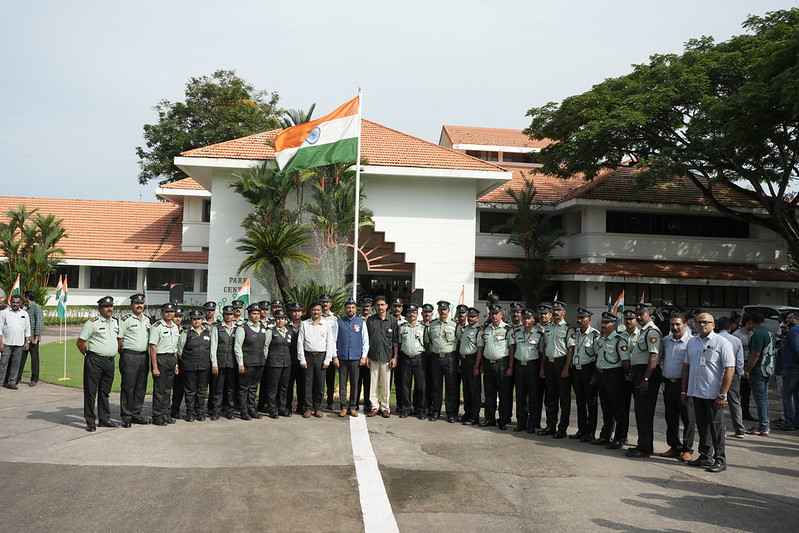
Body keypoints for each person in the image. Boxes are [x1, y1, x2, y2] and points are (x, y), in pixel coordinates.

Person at [682, 312, 736, 473]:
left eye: (706, 322)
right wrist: (685, 390)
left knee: (716, 428)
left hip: (714, 394)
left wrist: (723, 394)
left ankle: (720, 459)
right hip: (696, 392)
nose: (702, 325)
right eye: (699, 322)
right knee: (702, 427)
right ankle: (705, 456)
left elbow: (730, 369)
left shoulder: (722, 342)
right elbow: (686, 366)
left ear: (713, 324)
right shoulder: (692, 342)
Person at [624, 303, 663, 459]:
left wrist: (646, 378)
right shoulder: (643, 331)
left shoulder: (652, 332)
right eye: (637, 314)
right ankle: (642, 445)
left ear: (650, 315)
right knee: (640, 412)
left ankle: (645, 448)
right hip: (640, 373)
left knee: (645, 413)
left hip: (647, 374)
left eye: (642, 314)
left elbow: (654, 356)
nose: (639, 317)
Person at [76, 296, 118, 431]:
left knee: (105, 392)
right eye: (106, 306)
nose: (109, 309)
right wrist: (88, 355)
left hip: (110, 361)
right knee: (91, 392)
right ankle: (90, 422)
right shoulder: (92, 323)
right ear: (100, 309)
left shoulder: (115, 322)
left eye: (111, 306)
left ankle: (104, 419)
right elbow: (80, 342)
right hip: (95, 361)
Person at [658, 312, 696, 462]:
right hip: (669, 384)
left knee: (688, 418)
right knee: (670, 417)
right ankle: (674, 447)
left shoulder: (692, 342)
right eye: (672, 324)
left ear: (685, 325)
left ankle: (687, 449)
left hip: (685, 385)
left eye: (678, 324)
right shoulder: (666, 340)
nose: (674, 327)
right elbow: (660, 358)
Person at [593, 311, 630, 449]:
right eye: (602, 322)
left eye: (607, 323)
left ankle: (620, 438)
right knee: (606, 408)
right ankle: (605, 435)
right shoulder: (600, 340)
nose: (603, 325)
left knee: (618, 409)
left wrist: (624, 378)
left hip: (615, 376)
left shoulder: (619, 340)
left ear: (614, 324)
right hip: (602, 375)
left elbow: (625, 361)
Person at [476, 305, 514, 430]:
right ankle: (489, 418)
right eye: (492, 313)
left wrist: (510, 366)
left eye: (496, 313)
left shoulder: (508, 329)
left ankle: (503, 420)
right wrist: (480, 365)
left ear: (501, 315)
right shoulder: (486, 329)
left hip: (502, 364)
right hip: (488, 364)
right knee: (489, 394)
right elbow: (481, 348)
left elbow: (512, 349)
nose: (494, 316)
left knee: (504, 394)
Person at [117, 293, 151, 427]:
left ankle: (136, 414)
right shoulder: (125, 319)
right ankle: (126, 416)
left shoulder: (147, 320)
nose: (139, 305)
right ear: (131, 305)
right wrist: (124, 354)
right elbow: (119, 339)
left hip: (144, 356)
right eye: (136, 303)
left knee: (141, 387)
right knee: (128, 387)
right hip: (129, 356)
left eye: (141, 303)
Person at [297, 301, 336, 418]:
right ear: (310, 311)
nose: (316, 312)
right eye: (314, 310)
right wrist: (302, 359)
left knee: (320, 383)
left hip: (321, 356)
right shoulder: (304, 324)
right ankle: (308, 408)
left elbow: (330, 342)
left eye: (318, 310)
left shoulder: (326, 324)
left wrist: (328, 359)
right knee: (307, 383)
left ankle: (317, 407)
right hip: (308, 356)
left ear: (321, 311)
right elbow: (300, 342)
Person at [539, 300, 571, 438]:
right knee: (550, 398)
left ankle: (562, 429)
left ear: (564, 312)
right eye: (554, 310)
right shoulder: (548, 328)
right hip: (549, 364)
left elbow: (570, 350)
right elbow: (545, 348)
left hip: (561, 363)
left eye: (558, 310)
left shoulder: (568, 329)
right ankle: (550, 426)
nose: (556, 312)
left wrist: (566, 368)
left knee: (564, 399)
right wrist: (542, 368)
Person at [568, 307, 600, 442]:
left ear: (589, 319)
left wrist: (595, 375)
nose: (580, 320)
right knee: (580, 402)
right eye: (578, 318)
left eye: (583, 318)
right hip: (577, 371)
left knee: (591, 403)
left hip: (589, 370)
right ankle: (581, 430)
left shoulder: (595, 335)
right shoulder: (575, 333)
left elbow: (598, 356)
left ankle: (590, 432)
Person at [425, 300, 459, 422]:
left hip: (450, 358)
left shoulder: (455, 325)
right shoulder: (432, 325)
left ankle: (451, 413)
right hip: (435, 358)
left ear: (448, 311)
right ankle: (435, 411)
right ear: (438, 311)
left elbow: (459, 341)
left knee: (451, 387)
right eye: (440, 309)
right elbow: (428, 341)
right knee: (436, 386)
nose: (442, 311)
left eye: (444, 309)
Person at [510, 308, 543, 433]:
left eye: (528, 318)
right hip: (519, 366)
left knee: (533, 397)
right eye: (524, 318)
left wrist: (541, 369)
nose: (526, 321)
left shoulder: (539, 334)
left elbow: (542, 354)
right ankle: (521, 423)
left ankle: (532, 424)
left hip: (532, 367)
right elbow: (513, 350)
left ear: (534, 319)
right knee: (520, 396)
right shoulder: (517, 332)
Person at [365, 295, 398, 417]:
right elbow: (366, 340)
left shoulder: (392, 321)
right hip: (373, 357)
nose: (380, 307)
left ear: (387, 306)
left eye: (382, 304)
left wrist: (395, 357)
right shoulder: (370, 320)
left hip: (387, 358)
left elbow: (395, 341)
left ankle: (385, 407)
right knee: (373, 384)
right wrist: (366, 356)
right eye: (378, 305)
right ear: (375, 306)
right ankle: (374, 406)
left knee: (385, 384)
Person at [177, 310, 212, 422]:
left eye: (198, 319)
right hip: (190, 367)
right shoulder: (185, 332)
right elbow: (180, 351)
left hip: (204, 367)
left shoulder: (208, 332)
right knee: (190, 391)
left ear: (202, 320)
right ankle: (190, 413)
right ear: (191, 320)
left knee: (202, 391)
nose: (196, 321)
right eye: (194, 319)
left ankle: (200, 412)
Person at [336, 298, 369, 417]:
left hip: (356, 358)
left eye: (353, 307)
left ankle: (353, 407)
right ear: (345, 309)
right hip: (342, 357)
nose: (350, 309)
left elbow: (365, 341)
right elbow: (334, 340)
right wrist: (335, 356)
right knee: (342, 384)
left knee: (355, 383)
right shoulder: (339, 322)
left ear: (356, 309)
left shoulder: (361, 322)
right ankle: (343, 407)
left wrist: (364, 357)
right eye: (348, 307)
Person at [235, 303, 268, 420]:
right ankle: (243, 411)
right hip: (247, 363)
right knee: (244, 388)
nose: (257, 316)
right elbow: (237, 347)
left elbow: (265, 346)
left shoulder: (263, 328)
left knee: (254, 388)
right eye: (254, 313)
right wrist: (240, 363)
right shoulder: (242, 328)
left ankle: (252, 409)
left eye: (258, 313)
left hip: (259, 363)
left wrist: (264, 359)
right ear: (249, 315)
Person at [149, 302, 180, 426]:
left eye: (171, 312)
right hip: (160, 359)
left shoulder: (175, 327)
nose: (169, 314)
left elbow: (175, 348)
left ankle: (166, 415)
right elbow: (153, 347)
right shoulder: (157, 326)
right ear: (162, 313)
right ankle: (157, 416)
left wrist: (176, 364)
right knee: (159, 390)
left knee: (168, 390)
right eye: (167, 312)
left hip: (171, 359)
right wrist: (155, 367)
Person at [745, 313, 775, 436]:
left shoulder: (757, 334)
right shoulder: (769, 333)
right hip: (768, 368)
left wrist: (747, 369)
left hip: (758, 370)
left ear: (751, 321)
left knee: (760, 400)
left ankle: (763, 426)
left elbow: (755, 355)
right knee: (764, 399)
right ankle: (764, 424)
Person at [717, 316, 746, 438]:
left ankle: (721, 429)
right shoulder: (736, 340)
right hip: (732, 373)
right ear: (729, 327)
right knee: (734, 401)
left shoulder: (714, 339)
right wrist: (740, 373)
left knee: (718, 400)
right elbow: (740, 361)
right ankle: (739, 429)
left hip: (717, 374)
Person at [209, 305, 240, 420]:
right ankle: (216, 411)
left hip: (232, 363)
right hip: (220, 363)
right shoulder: (217, 328)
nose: (229, 316)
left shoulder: (238, 329)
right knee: (218, 388)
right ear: (223, 315)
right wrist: (214, 364)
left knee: (231, 389)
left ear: (233, 315)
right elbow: (213, 347)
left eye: (231, 314)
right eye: (227, 314)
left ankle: (229, 411)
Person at [398, 303, 426, 419]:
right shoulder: (402, 327)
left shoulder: (423, 327)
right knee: (405, 385)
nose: (411, 315)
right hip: (405, 358)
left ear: (417, 314)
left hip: (419, 359)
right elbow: (399, 343)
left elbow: (427, 343)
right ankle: (406, 408)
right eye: (409, 312)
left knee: (420, 386)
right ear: (407, 314)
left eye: (414, 312)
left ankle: (419, 409)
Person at [263, 310, 293, 418]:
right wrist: (265, 360)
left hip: (286, 363)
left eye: (282, 319)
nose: (280, 321)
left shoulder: (289, 332)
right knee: (273, 387)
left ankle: (282, 408)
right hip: (274, 363)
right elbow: (265, 347)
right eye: (278, 319)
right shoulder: (270, 331)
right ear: (275, 320)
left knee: (284, 387)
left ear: (285, 320)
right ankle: (272, 409)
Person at [457, 307, 482, 426]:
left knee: (474, 390)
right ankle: (467, 413)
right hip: (464, 361)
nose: (471, 319)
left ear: (477, 318)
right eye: (469, 316)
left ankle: (474, 416)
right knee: (466, 389)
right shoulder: (465, 329)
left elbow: (479, 350)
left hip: (473, 361)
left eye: (473, 317)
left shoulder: (479, 330)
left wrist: (477, 366)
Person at [0, 294, 31, 389]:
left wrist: (27, 342)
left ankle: (12, 382)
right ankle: (1, 381)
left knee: (16, 364)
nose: (15, 304)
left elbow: (27, 329)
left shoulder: (24, 314)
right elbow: (0, 329)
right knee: (3, 363)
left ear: (20, 303)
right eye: (13, 302)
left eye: (17, 302)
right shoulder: (3, 313)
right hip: (6, 343)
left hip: (19, 344)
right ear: (10, 302)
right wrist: (1, 343)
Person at [17, 290, 43, 386]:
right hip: (25, 337)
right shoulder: (25, 307)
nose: (23, 298)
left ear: (27, 297)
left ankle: (34, 379)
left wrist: (36, 337)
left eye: (24, 297)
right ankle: (17, 377)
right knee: (21, 358)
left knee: (34, 359)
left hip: (33, 337)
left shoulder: (36, 307)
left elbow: (39, 322)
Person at [733, 315, 755, 421]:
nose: (752, 325)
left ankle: (745, 412)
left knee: (747, 391)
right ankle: (738, 414)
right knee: (738, 391)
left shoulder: (752, 333)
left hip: (748, 364)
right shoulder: (737, 335)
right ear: (746, 323)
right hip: (739, 364)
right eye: (751, 323)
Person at [320, 294, 339, 412]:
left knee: (330, 379)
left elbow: (335, 338)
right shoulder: (316, 317)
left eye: (327, 302)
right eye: (323, 302)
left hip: (330, 352)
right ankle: (317, 402)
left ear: (330, 304)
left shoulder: (334, 319)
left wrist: (334, 355)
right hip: (319, 351)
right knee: (319, 379)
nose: (325, 304)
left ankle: (330, 402)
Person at [285, 302, 305, 415]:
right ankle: (287, 406)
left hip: (302, 359)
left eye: (298, 311)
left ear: (302, 313)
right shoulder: (286, 325)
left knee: (302, 384)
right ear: (290, 313)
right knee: (289, 384)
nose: (296, 313)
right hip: (289, 359)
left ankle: (301, 406)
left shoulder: (305, 325)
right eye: (294, 311)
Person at [781, 312, 799, 431]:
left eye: (789, 318)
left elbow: (796, 349)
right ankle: (796, 421)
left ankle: (789, 422)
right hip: (794, 367)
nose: (787, 320)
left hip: (792, 367)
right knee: (797, 396)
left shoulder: (794, 331)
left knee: (787, 395)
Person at [356, 297, 374, 413]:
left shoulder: (374, 320)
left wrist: (369, 356)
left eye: (368, 306)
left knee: (368, 382)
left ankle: (368, 403)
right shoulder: (357, 319)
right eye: (364, 306)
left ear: (371, 307)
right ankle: (355, 403)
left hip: (371, 356)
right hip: (358, 355)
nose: (366, 308)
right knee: (357, 381)